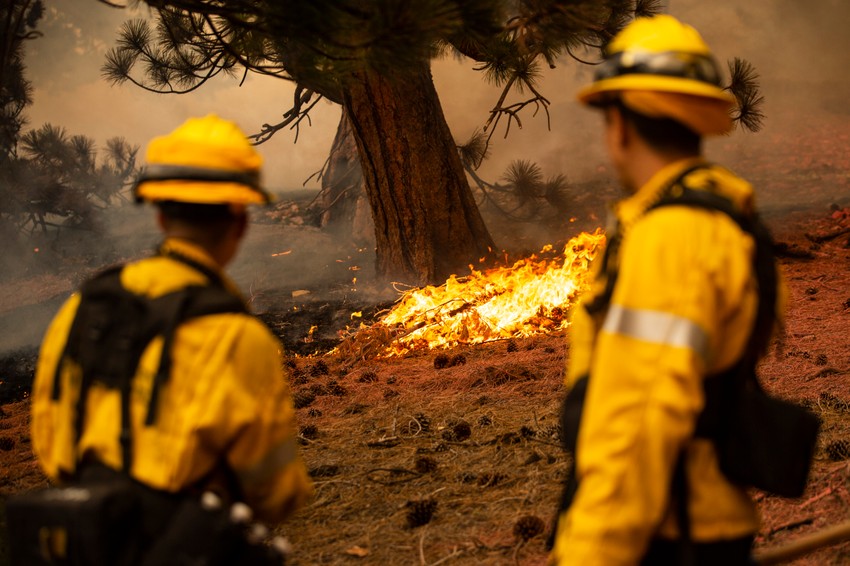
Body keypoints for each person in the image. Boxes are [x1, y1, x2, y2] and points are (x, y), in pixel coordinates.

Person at [549, 15, 782, 565]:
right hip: (698, 519)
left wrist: (592, 552)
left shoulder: (671, 237)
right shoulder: (723, 218)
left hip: (667, 534)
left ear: (620, 125)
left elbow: (640, 419)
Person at [29, 114, 312, 562]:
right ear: (240, 221)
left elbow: (49, 437)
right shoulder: (238, 338)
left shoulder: (84, 307)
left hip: (79, 543)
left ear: (161, 216)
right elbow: (275, 493)